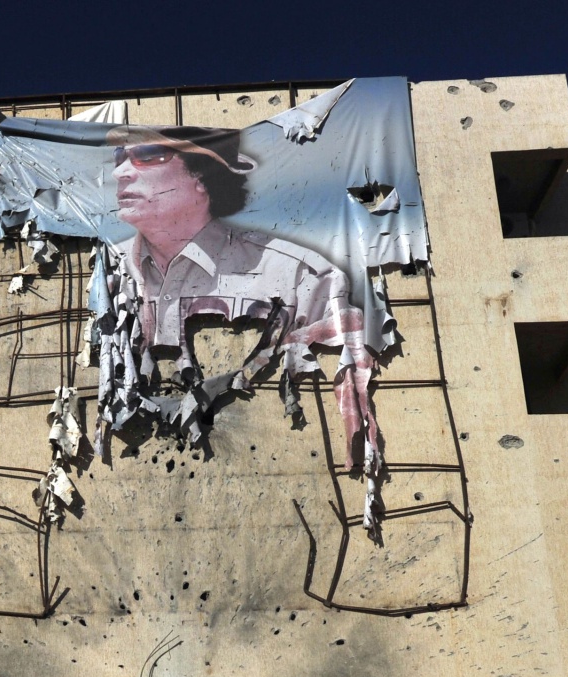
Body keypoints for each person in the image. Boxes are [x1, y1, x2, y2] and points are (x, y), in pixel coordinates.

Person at [105, 123, 383, 471]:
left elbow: (348, 371)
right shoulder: (106, 274)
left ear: (202, 177)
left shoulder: (299, 275)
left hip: (272, 469)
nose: (120, 171)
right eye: (119, 157)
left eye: (147, 156)